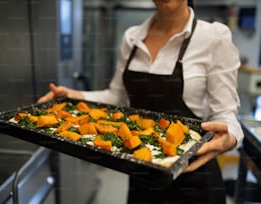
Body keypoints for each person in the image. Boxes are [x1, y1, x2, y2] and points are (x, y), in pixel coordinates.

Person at [38, 0, 243, 203]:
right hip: (141, 172)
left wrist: (230, 137)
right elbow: (116, 98)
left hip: (193, 178)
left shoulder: (214, 37)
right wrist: (71, 95)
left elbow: (226, 113)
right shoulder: (132, 37)